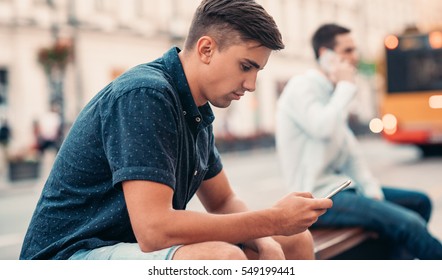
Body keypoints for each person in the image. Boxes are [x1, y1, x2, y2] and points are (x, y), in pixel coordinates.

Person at [20, 0, 333, 260]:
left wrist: (265, 236)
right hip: (70, 255)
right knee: (223, 260)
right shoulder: (146, 94)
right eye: (245, 66)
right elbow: (155, 229)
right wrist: (271, 220)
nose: (251, 85)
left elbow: (223, 201)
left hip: (122, 250)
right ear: (206, 49)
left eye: (258, 71)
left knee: (295, 242)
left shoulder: (195, 109)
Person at [275, 23, 442, 259]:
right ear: (326, 55)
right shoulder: (302, 87)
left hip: (344, 189)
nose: (355, 57)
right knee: (409, 223)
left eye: (355, 50)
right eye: (348, 51)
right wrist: (344, 87)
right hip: (317, 198)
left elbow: (350, 153)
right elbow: (321, 127)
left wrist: (371, 190)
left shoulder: (333, 93)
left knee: (419, 202)